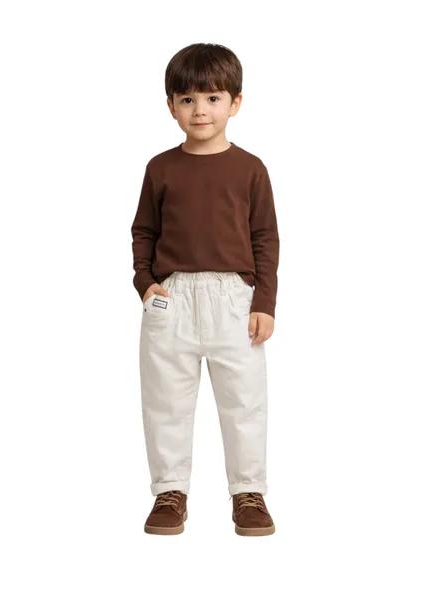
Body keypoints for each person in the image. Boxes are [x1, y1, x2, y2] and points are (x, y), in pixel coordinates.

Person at [131, 43, 280, 536]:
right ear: (171, 106)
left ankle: (248, 492)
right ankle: (170, 492)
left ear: (235, 102)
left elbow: (265, 238)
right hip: (171, 298)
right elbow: (144, 232)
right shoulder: (160, 168)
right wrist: (146, 284)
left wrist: (264, 302)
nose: (200, 110)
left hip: (233, 299)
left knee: (244, 400)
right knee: (165, 401)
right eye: (187, 99)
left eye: (213, 98)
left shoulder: (250, 169)